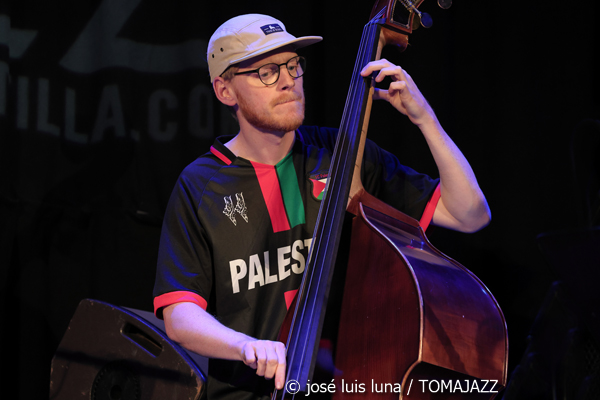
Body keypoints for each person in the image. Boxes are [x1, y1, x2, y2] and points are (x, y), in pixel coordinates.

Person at [153, 13, 490, 400]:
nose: (288, 81)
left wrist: (424, 118)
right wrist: (244, 346)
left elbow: (470, 214)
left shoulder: (344, 154)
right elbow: (180, 316)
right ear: (225, 90)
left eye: (292, 65)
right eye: (267, 72)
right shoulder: (200, 185)